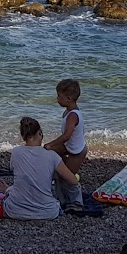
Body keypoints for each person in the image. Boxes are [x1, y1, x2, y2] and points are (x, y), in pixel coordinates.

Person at [1, 117, 78, 220]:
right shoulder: (52, 155)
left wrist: (8, 190)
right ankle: (76, 205)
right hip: (47, 212)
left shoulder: (16, 152)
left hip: (14, 210)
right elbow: (73, 181)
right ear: (40, 134)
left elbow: (23, 175)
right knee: (65, 181)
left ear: (23, 136)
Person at [44, 79, 87, 209]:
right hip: (69, 147)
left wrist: (51, 144)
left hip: (77, 151)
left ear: (68, 98)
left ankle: (76, 203)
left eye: (59, 96)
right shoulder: (68, 111)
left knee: (67, 177)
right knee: (50, 155)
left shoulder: (73, 115)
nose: (57, 98)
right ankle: (58, 194)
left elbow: (66, 136)